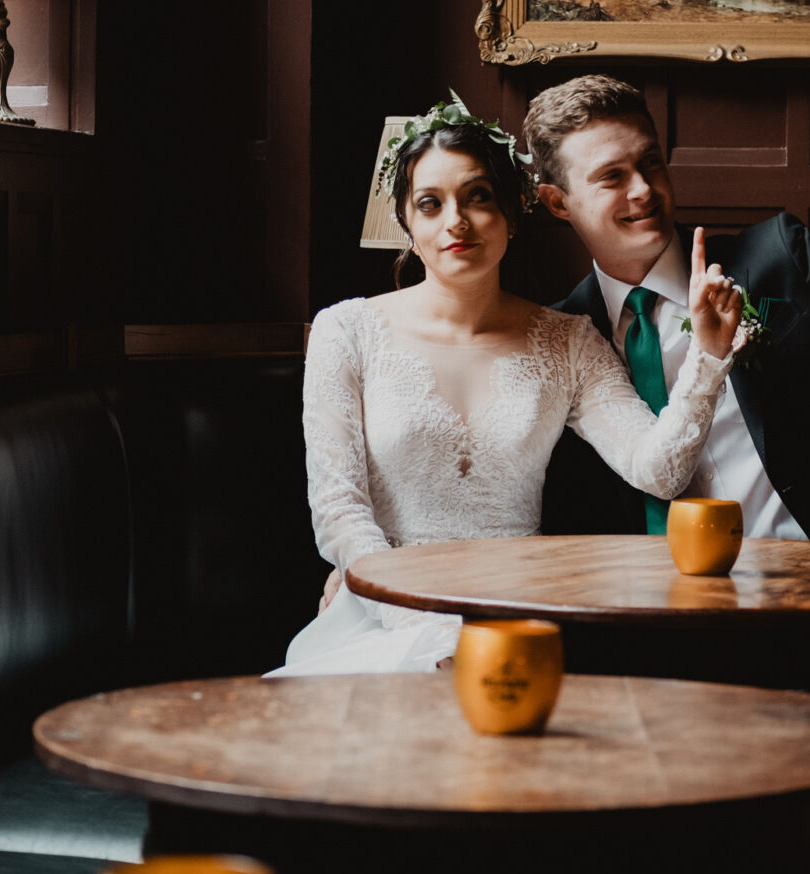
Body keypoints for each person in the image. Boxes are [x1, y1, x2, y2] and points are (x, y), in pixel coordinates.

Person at [269, 96, 745, 677]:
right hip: (381, 616)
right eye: (430, 204)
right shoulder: (345, 331)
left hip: (518, 615)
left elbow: (660, 470)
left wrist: (709, 356)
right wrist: (427, 627)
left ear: (512, 215)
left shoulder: (569, 340)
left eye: (478, 198)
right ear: (406, 224)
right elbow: (339, 510)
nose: (456, 223)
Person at [527, 18, 810, 546]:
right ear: (557, 202)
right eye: (612, 176)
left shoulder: (777, 259)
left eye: (651, 163)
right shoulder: (562, 336)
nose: (643, 190)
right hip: (645, 607)